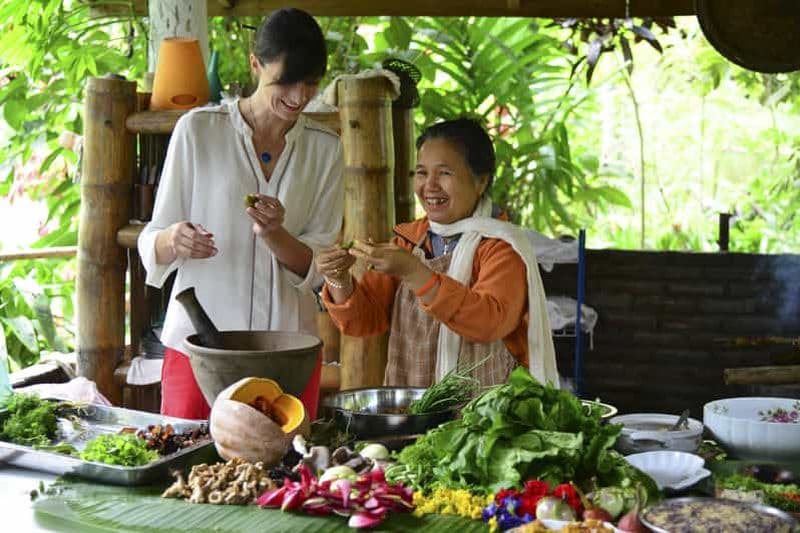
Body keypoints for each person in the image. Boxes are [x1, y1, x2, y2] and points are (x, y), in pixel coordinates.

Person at [138, 8, 343, 419]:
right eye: (285, 81)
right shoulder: (199, 131)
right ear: (255, 64)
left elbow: (320, 265)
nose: (300, 96)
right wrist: (173, 238)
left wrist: (276, 236)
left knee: (286, 478)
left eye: (311, 83)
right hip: (199, 349)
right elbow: (155, 236)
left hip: (289, 352)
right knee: (185, 471)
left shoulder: (326, 148)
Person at [316, 118, 559, 389]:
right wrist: (338, 278)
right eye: (421, 173)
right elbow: (363, 321)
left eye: (444, 173)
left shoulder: (500, 247)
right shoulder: (410, 241)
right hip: (414, 404)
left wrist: (413, 272)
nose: (429, 186)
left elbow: (489, 323)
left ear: (480, 181)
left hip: (480, 412)